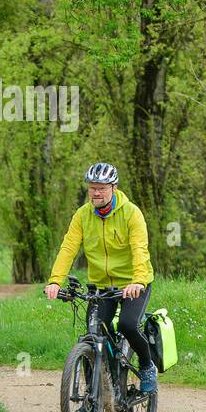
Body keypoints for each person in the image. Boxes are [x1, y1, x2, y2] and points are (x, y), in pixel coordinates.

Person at [44, 162, 158, 398]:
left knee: (127, 325)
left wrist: (137, 280)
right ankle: (92, 396)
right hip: (102, 287)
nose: (96, 192)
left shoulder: (131, 213)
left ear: (113, 188)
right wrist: (55, 281)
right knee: (92, 333)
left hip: (133, 283)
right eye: (92, 187)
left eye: (101, 188)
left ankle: (147, 367)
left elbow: (139, 249)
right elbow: (68, 248)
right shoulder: (82, 215)